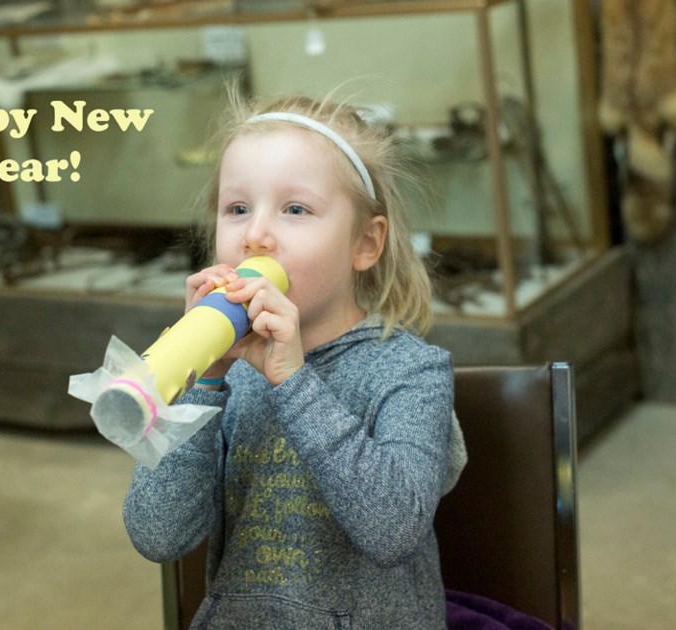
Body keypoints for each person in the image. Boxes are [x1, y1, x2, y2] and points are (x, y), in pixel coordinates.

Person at [123, 88, 466, 629]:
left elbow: (395, 530)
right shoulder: (226, 373)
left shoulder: (410, 372)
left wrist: (293, 381)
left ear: (366, 244)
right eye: (237, 209)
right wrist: (203, 382)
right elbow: (157, 534)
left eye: (295, 209)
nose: (255, 235)